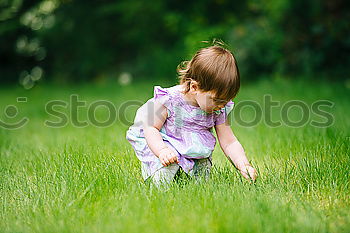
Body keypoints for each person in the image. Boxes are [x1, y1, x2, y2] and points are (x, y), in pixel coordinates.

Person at [126, 43, 257, 189]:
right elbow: (150, 127)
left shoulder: (219, 108)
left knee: (201, 178)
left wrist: (243, 164)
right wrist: (162, 150)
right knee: (166, 171)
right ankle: (157, 183)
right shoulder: (170, 100)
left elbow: (229, 141)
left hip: (194, 147)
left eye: (226, 100)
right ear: (194, 87)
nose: (222, 106)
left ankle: (190, 183)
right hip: (165, 143)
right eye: (217, 100)